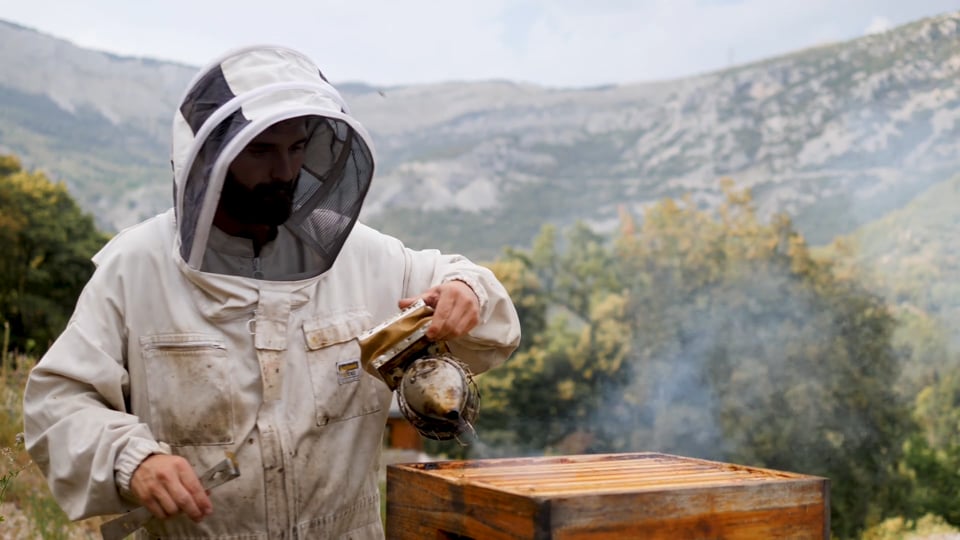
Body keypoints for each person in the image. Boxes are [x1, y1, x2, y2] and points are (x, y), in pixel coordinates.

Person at [22, 45, 521, 539]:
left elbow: (483, 310)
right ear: (211, 157)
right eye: (261, 151)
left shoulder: (363, 256)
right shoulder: (136, 267)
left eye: (296, 147)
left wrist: (466, 290)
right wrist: (133, 460)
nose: (285, 171)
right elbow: (61, 402)